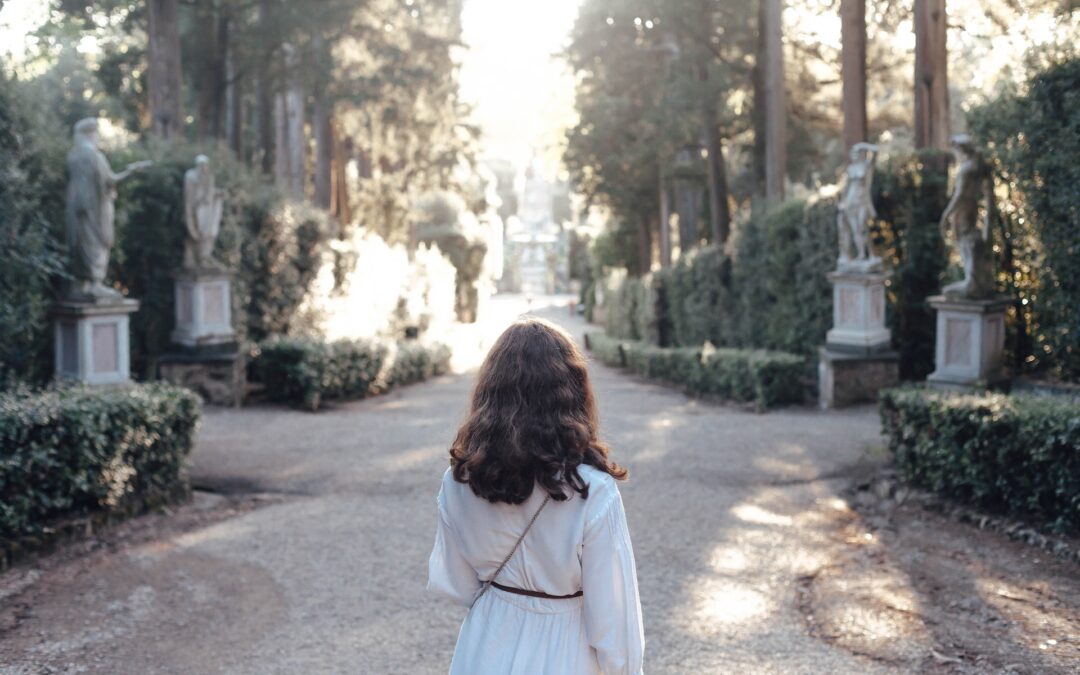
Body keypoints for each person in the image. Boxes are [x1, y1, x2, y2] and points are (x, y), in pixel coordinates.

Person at [428, 318, 644, 674]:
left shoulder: (459, 481)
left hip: (486, 644)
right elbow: (614, 619)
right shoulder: (591, 491)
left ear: (489, 392)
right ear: (573, 392)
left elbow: (458, 584)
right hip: (566, 652)